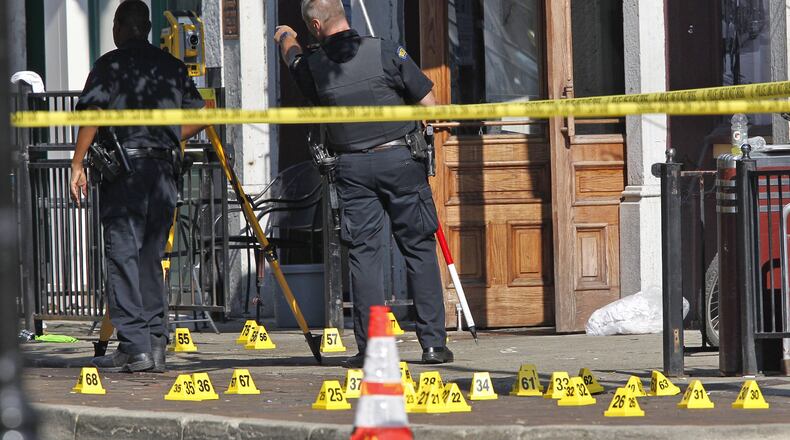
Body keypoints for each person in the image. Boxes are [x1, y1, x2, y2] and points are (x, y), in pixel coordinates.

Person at [274, 0, 453, 367]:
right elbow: (430, 105)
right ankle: (433, 345)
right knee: (418, 248)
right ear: (344, 15)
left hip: (352, 167)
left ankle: (372, 350)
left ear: (317, 27)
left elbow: (294, 61)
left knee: (364, 258)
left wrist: (285, 37)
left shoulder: (315, 68)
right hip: (401, 161)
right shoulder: (386, 50)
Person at [69, 0, 205, 373]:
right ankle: (155, 344)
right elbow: (203, 116)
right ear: (146, 27)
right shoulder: (171, 67)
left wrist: (78, 162)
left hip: (126, 171)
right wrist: (167, 137)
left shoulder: (110, 64)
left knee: (123, 255)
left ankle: (134, 347)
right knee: (150, 258)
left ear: (119, 26)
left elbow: (93, 114)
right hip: (162, 171)